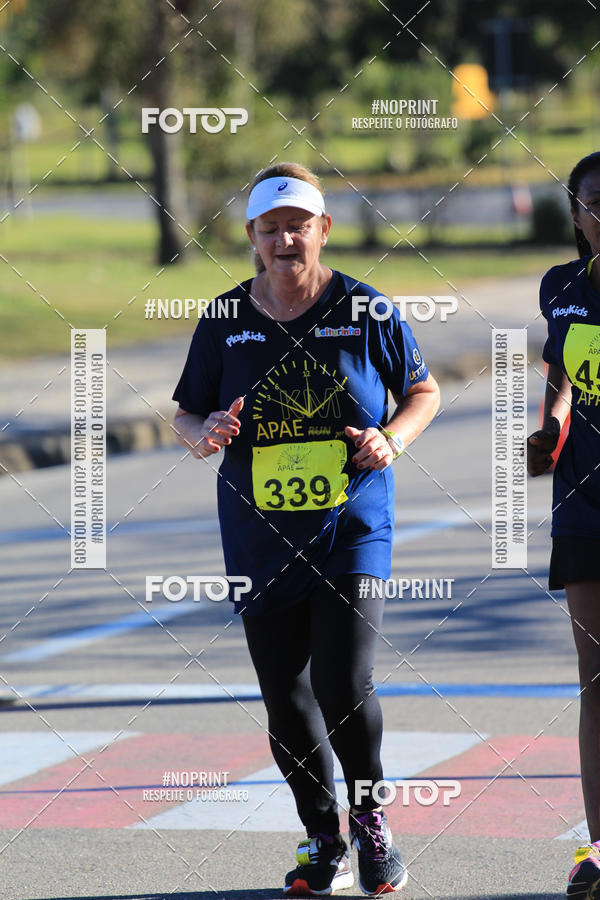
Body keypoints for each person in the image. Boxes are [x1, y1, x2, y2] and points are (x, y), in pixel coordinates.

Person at [172, 162, 440, 896]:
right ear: (252, 239)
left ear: (323, 230)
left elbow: (422, 390)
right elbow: (186, 413)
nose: (285, 239)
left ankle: (373, 823)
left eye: (299, 225)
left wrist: (394, 438)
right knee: (284, 695)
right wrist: (206, 433)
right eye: (270, 229)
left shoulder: (367, 309)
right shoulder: (225, 319)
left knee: (342, 681)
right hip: (259, 534)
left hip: (351, 524)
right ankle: (324, 837)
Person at [527, 151, 600, 899]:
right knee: (596, 681)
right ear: (576, 212)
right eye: (595, 202)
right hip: (584, 498)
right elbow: (560, 376)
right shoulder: (562, 288)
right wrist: (547, 426)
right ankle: (599, 849)